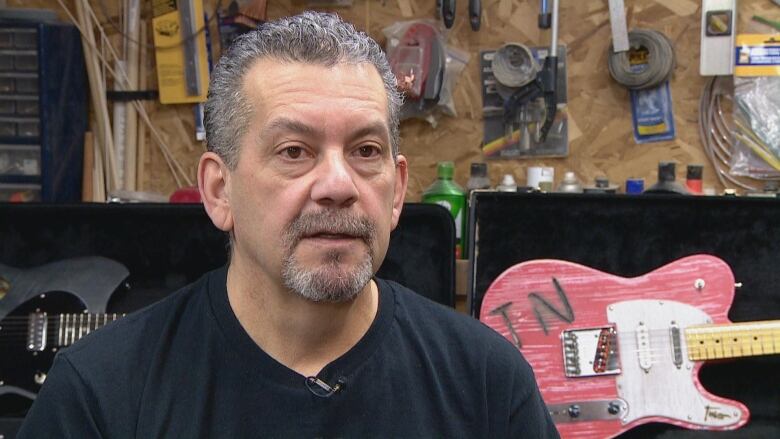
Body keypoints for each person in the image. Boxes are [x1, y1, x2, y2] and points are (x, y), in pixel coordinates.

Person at [18, 11, 559, 438]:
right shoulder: (103, 394)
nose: (338, 183)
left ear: (396, 190)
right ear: (218, 190)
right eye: (294, 151)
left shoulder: (487, 382)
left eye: (365, 150)